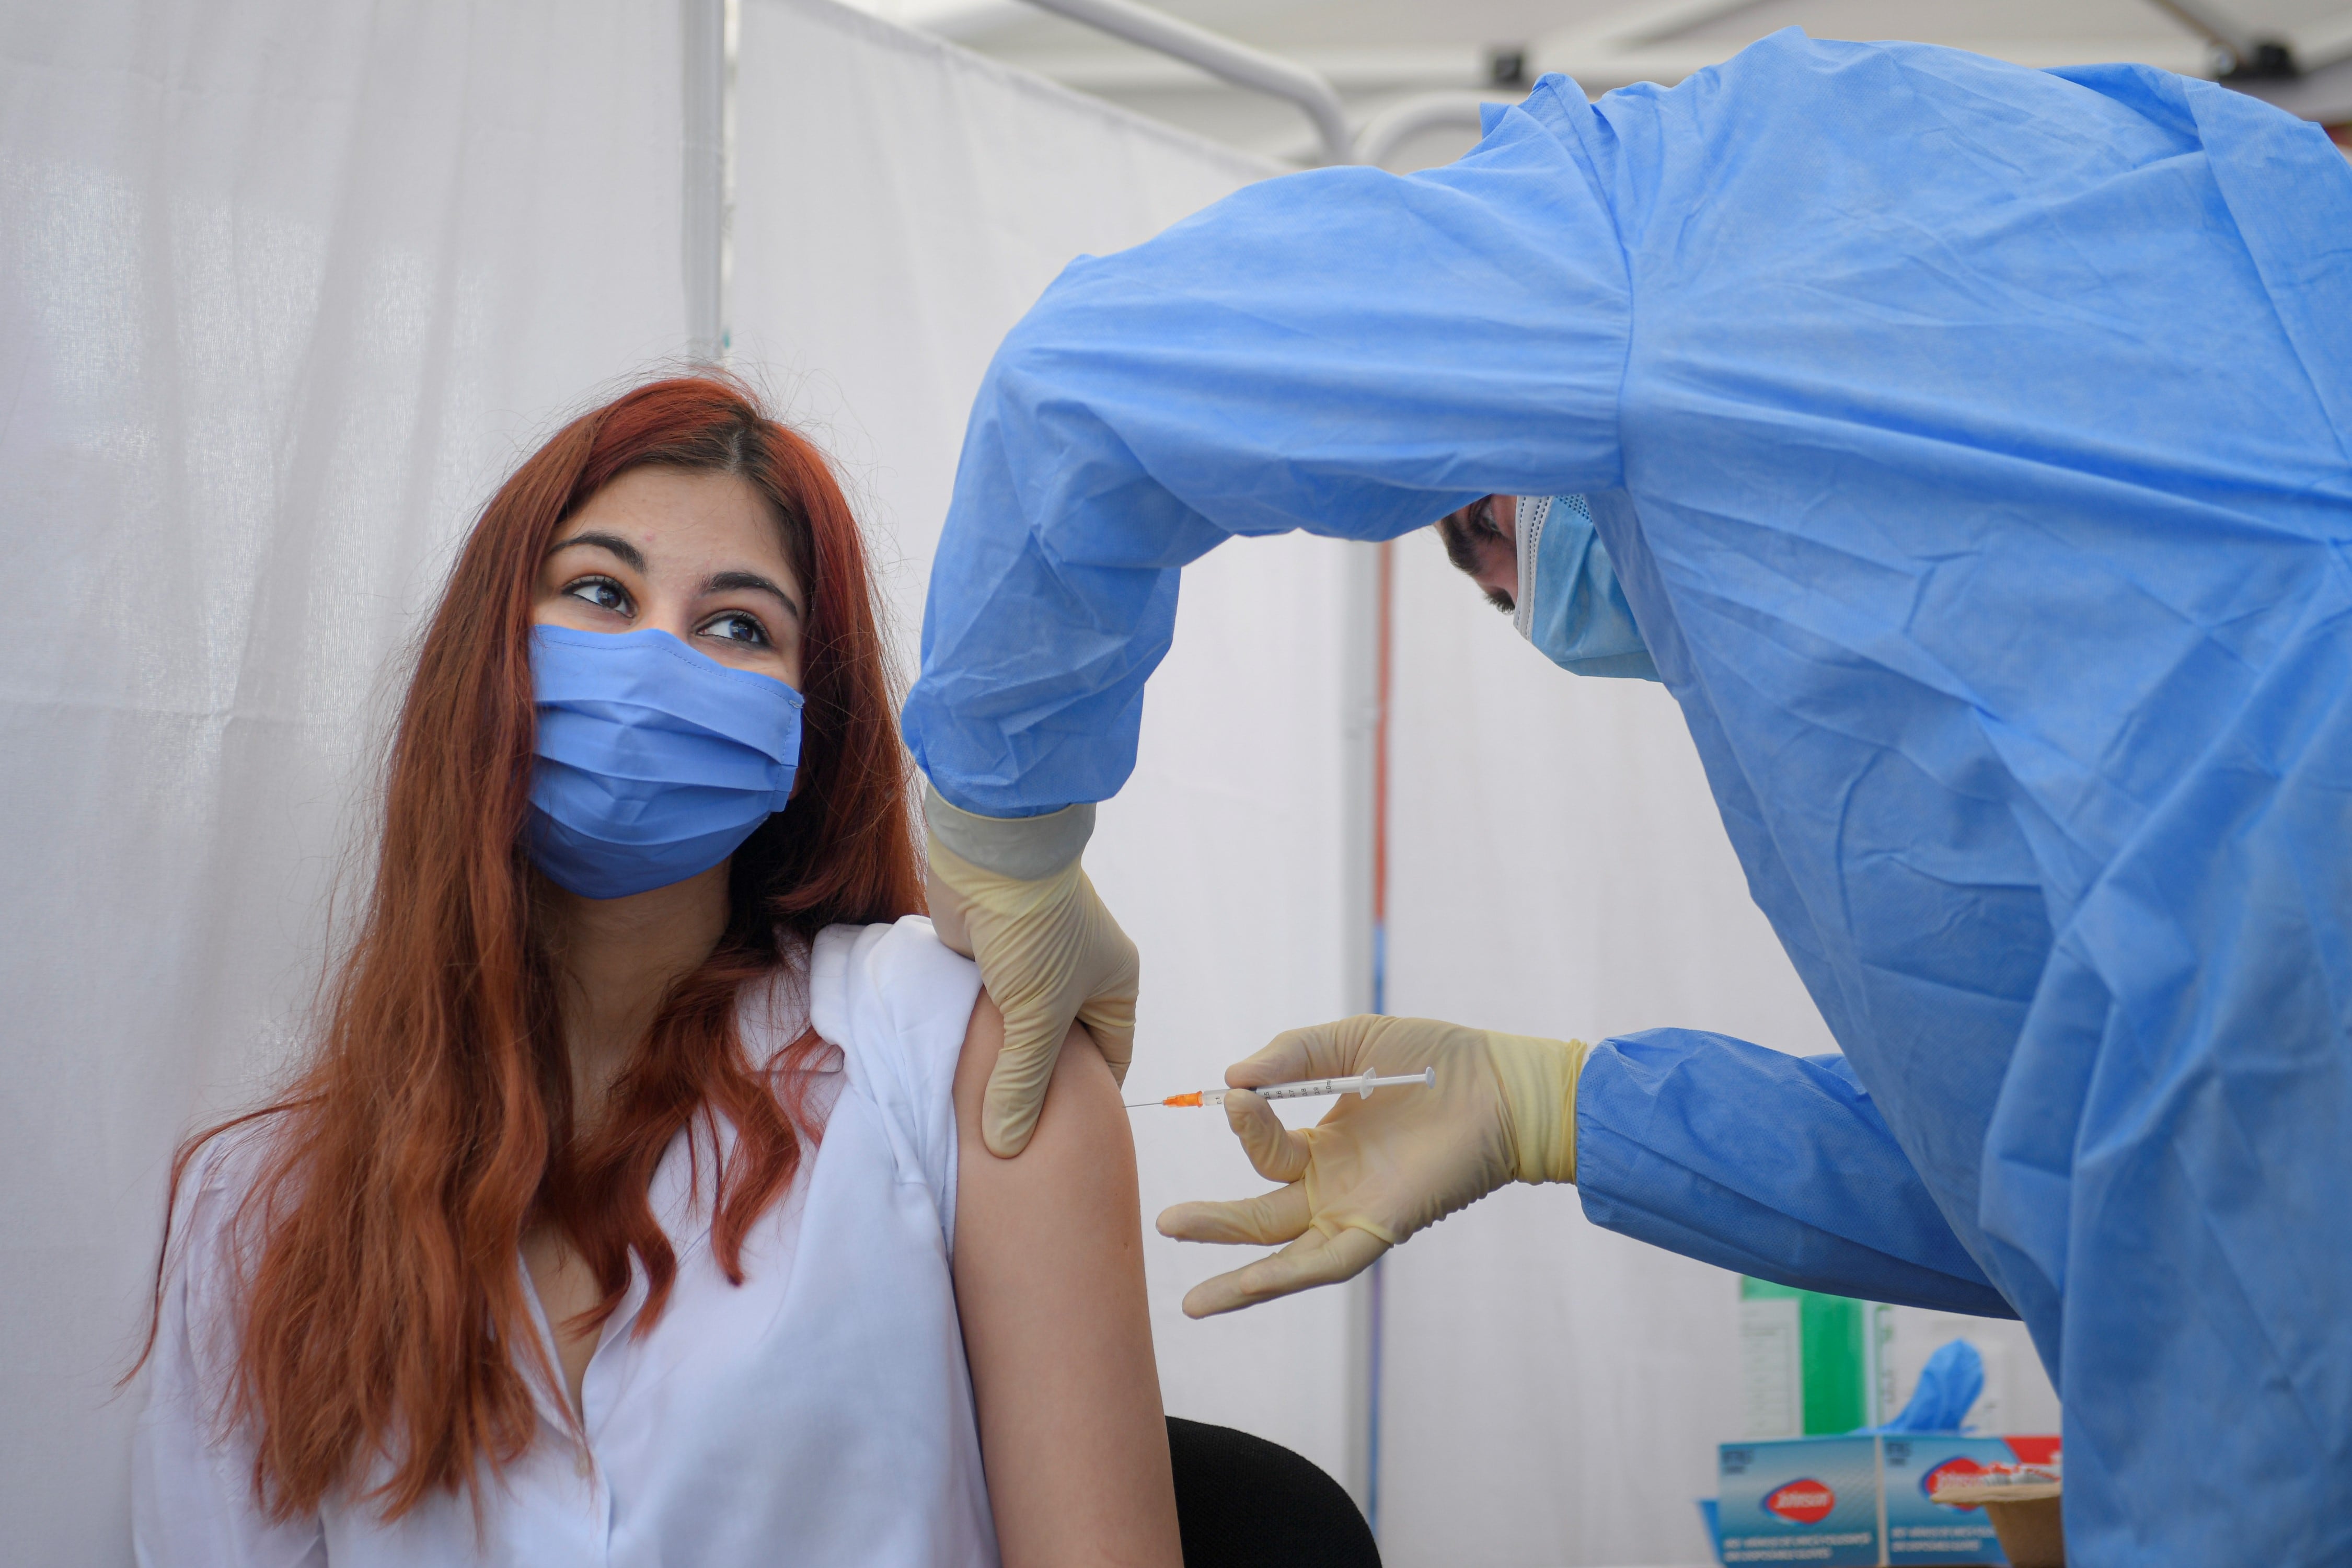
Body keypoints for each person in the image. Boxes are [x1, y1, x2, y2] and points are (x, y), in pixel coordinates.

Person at [902, 30, 2352, 1565]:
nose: (1520, 591)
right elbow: (2077, 1150)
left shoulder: (1680, 212)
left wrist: (1004, 829)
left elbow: (1095, 383)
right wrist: (1558, 1109)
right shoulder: (2229, 203)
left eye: (1482, 530)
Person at [129, 377, 1181, 1566]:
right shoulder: (258, 1210)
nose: (653, 664)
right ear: (488, 659)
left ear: (803, 730)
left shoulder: (953, 1050)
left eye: (738, 626)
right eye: (597, 591)